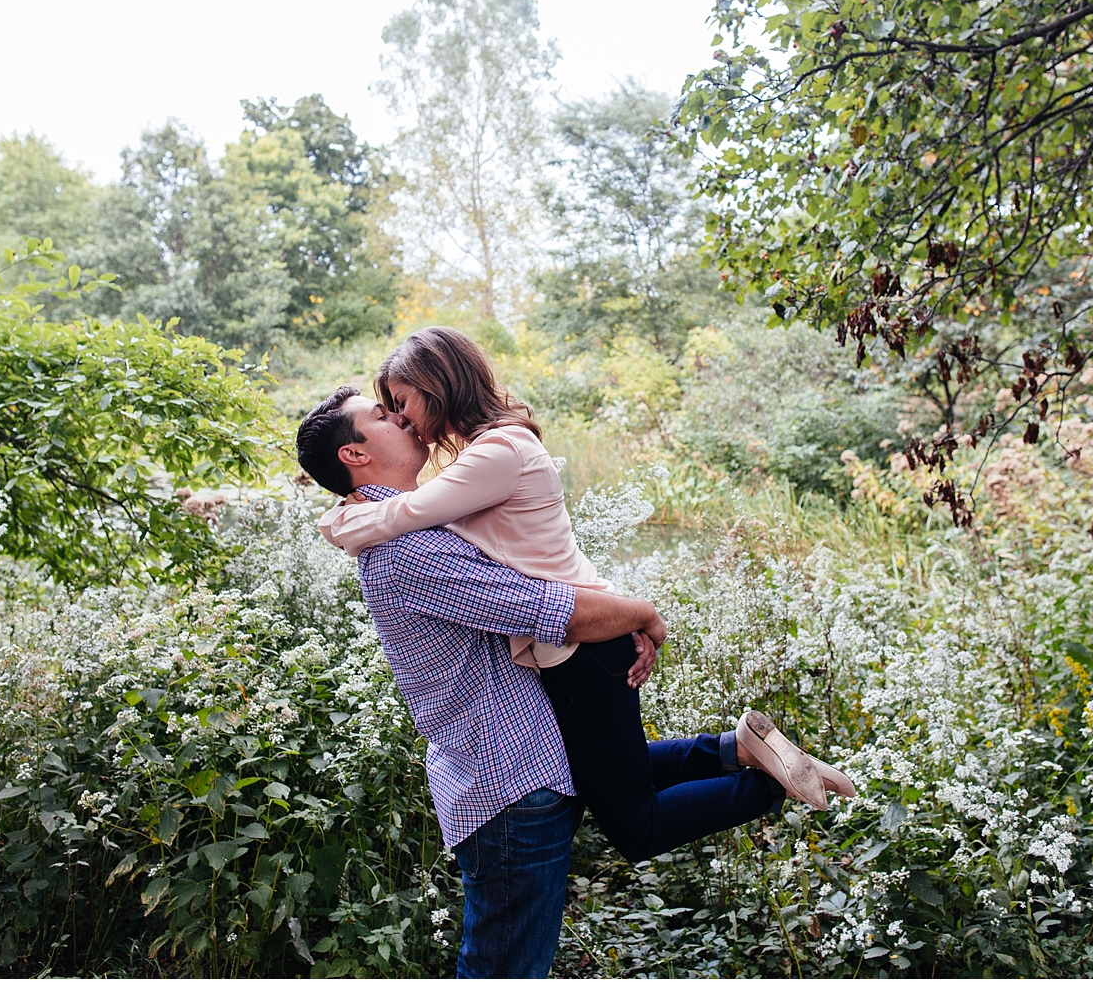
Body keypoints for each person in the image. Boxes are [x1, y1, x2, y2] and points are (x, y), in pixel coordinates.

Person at [295, 383, 805, 977]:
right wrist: (640, 614)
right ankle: (761, 771)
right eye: (383, 416)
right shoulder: (404, 549)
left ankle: (744, 753)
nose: (404, 419)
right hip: (505, 789)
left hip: (528, 765)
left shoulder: (408, 521)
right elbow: (550, 608)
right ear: (354, 455)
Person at [319, 327, 855, 832]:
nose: (403, 419)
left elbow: (404, 514)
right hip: (580, 639)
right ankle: (740, 748)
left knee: (635, 824)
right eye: (389, 410)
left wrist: (343, 518)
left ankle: (771, 785)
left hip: (576, 642)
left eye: (402, 402)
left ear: (437, 387)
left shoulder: (496, 453)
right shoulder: (488, 453)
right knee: (603, 770)